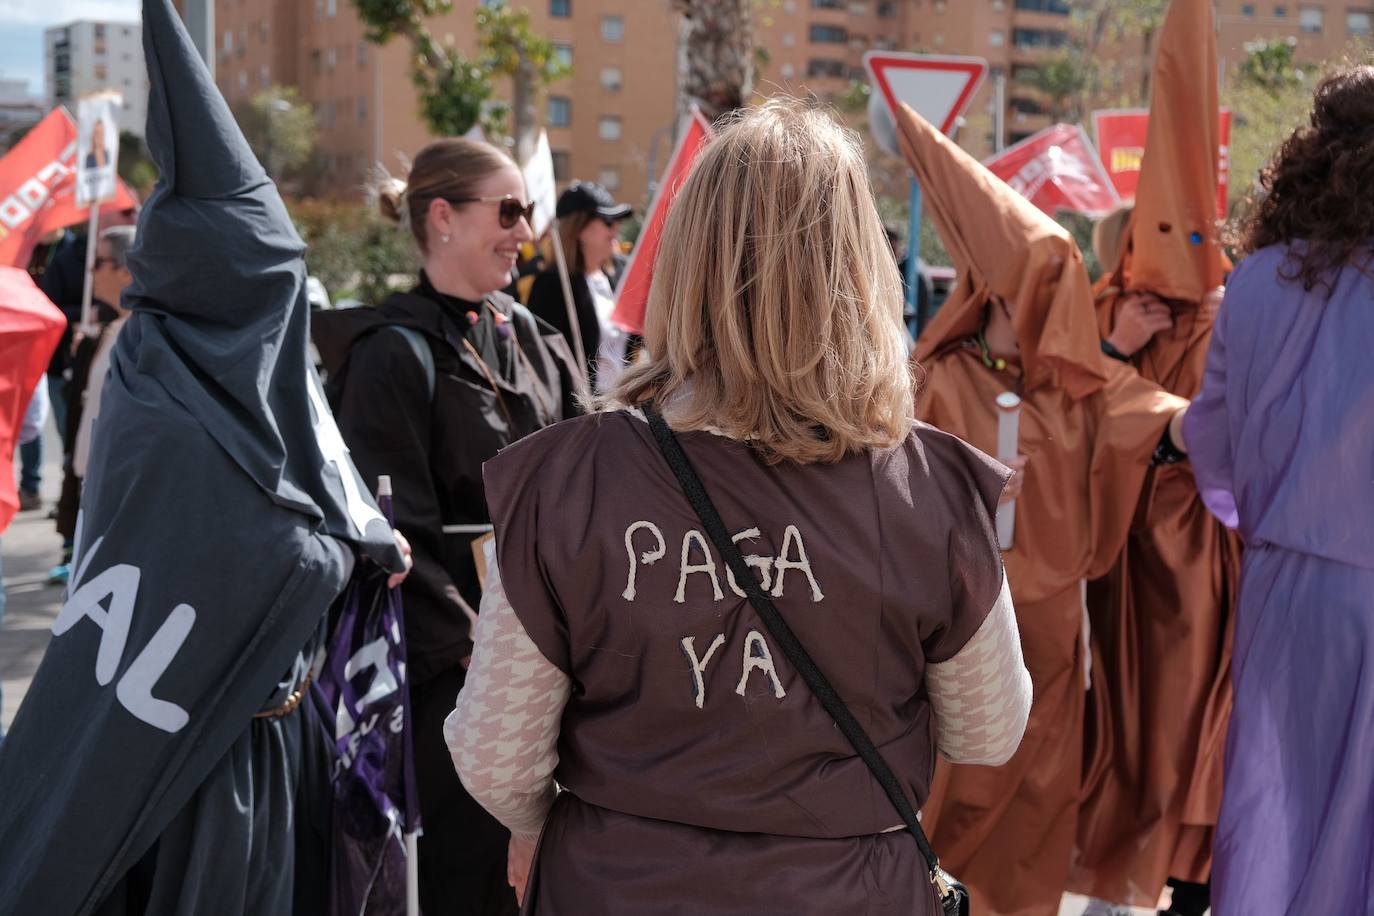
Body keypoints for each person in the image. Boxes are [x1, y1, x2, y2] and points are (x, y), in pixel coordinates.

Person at [444, 100, 1032, 915]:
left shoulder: (572, 480)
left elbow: (495, 755)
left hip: (619, 886)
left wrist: (543, 820)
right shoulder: (928, 487)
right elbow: (990, 730)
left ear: (686, 261)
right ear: (859, 268)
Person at [0, 4, 410, 913]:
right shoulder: (155, 399)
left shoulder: (262, 381)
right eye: (267, 290)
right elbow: (264, 555)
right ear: (219, 291)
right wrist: (343, 552)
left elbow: (320, 510)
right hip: (202, 769)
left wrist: (367, 542)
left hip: (283, 747)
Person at [889, 100, 1193, 916]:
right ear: (999, 294)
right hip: (953, 639)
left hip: (1050, 648)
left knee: (1032, 812)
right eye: (1047, 293)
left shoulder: (1077, 387)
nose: (1063, 316)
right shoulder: (936, 383)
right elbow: (886, 493)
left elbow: (1162, 421)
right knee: (946, 805)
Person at [320, 136, 582, 916]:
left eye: (527, 211)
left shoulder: (537, 340)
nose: (525, 230)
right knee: (473, 882)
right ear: (442, 217)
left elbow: (586, 487)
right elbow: (385, 534)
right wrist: (484, 655)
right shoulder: (389, 354)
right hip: (457, 684)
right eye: (508, 211)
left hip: (559, 665)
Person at [1183, 65, 1374, 916]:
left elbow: (1214, 448)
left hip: (1285, 592)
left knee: (1274, 820)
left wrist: (1272, 519)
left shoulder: (1256, 283)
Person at [1072, 3, 1240, 913]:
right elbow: (1069, 413)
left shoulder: (1232, 315)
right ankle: (1113, 878)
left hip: (1202, 568)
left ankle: (1181, 873)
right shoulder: (1103, 311)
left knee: (1185, 732)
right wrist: (1118, 351)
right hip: (1114, 560)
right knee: (1120, 736)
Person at [526, 181, 632, 391]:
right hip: (584, 413)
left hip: (622, 405)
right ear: (580, 229)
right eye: (608, 221)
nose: (616, 228)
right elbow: (544, 360)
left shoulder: (618, 274)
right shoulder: (553, 285)